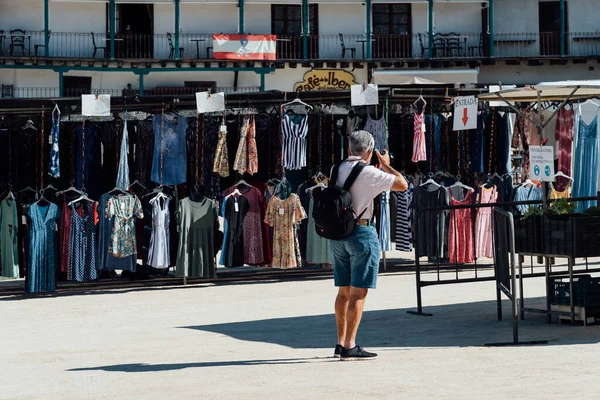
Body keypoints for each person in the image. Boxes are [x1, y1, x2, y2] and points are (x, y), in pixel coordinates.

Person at [331, 130, 408, 361]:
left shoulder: (337, 168)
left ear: (348, 149)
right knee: (358, 292)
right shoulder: (371, 172)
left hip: (338, 234)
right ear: (369, 151)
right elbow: (402, 184)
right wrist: (385, 165)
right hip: (361, 233)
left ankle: (339, 342)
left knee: (343, 291)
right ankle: (350, 345)